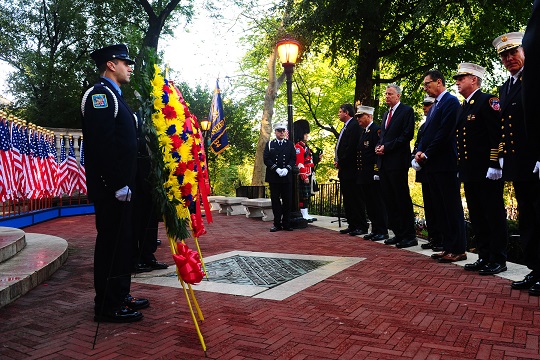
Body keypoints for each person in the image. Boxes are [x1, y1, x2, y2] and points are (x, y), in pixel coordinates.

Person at [81, 44, 148, 323]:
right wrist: (116, 183)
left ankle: (120, 293)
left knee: (124, 242)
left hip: (125, 186)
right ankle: (107, 304)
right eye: (125, 63)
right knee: (111, 243)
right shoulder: (100, 95)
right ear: (111, 65)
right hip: (112, 188)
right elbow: (102, 144)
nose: (130, 67)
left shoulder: (117, 96)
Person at [493, 33, 540, 288]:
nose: (509, 58)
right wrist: (500, 156)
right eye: (504, 55)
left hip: (535, 162)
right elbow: (504, 126)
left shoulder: (535, 79)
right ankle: (535, 269)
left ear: (525, 52)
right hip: (518, 163)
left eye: (514, 52)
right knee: (528, 218)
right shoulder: (506, 86)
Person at [454, 62, 508, 274]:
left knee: (492, 214)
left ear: (474, 79)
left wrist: (495, 164)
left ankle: (498, 259)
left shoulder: (488, 101)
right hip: (470, 171)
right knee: (477, 215)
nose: (457, 82)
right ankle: (484, 256)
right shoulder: (465, 106)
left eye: (462, 78)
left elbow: (497, 134)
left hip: (488, 171)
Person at [415, 70, 467, 263]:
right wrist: (420, 151)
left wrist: (426, 153)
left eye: (427, 84)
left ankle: (458, 248)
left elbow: (445, 132)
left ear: (439, 82)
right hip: (433, 164)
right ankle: (447, 247)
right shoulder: (436, 105)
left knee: (451, 207)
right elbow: (426, 133)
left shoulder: (450, 102)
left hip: (446, 163)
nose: (425, 88)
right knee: (440, 208)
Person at [375, 84, 417, 248]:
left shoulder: (407, 111)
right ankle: (398, 233)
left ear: (398, 96)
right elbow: (383, 136)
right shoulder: (386, 114)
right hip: (384, 162)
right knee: (389, 199)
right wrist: (378, 146)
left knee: (401, 198)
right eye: (385, 94)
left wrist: (388, 147)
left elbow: (407, 134)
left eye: (390, 94)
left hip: (398, 162)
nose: (387, 96)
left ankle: (409, 235)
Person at [131, 114, 169, 273]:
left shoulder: (163, 123)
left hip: (154, 180)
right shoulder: (137, 119)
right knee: (137, 221)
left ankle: (148, 255)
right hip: (138, 180)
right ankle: (135, 259)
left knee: (151, 221)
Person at [355, 105, 388, 241]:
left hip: (372, 174)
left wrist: (376, 171)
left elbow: (377, 153)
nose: (358, 119)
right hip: (364, 174)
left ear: (369, 116)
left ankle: (382, 230)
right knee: (370, 204)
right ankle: (375, 229)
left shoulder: (376, 130)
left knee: (377, 203)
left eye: (360, 116)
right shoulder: (364, 132)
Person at [334, 103, 368, 236]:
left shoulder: (354, 126)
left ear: (346, 112)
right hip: (344, 169)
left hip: (351, 169)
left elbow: (351, 148)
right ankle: (352, 224)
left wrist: (341, 161)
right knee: (348, 198)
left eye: (340, 111)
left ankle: (361, 225)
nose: (338, 114)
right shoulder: (345, 127)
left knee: (355, 198)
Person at [412, 96, 441, 250]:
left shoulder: (437, 124)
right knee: (429, 207)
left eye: (428, 105)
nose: (425, 108)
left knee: (438, 207)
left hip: (435, 168)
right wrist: (414, 158)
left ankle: (440, 239)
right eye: (424, 105)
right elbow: (417, 145)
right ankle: (434, 237)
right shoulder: (423, 126)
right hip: (424, 171)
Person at [264, 122, 296, 232]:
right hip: (274, 177)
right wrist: (276, 169)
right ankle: (277, 223)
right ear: (275, 132)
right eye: (279, 131)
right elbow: (266, 159)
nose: (282, 133)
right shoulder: (269, 144)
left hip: (286, 177)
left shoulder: (290, 144)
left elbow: (293, 159)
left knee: (287, 201)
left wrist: (287, 169)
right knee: (275, 201)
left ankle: (286, 223)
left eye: (283, 131)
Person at [294, 119, 317, 222]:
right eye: (305, 133)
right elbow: (299, 163)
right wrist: (304, 175)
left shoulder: (305, 146)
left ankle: (306, 214)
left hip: (309, 172)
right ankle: (303, 214)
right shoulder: (298, 147)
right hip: (305, 174)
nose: (307, 135)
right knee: (303, 196)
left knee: (307, 196)